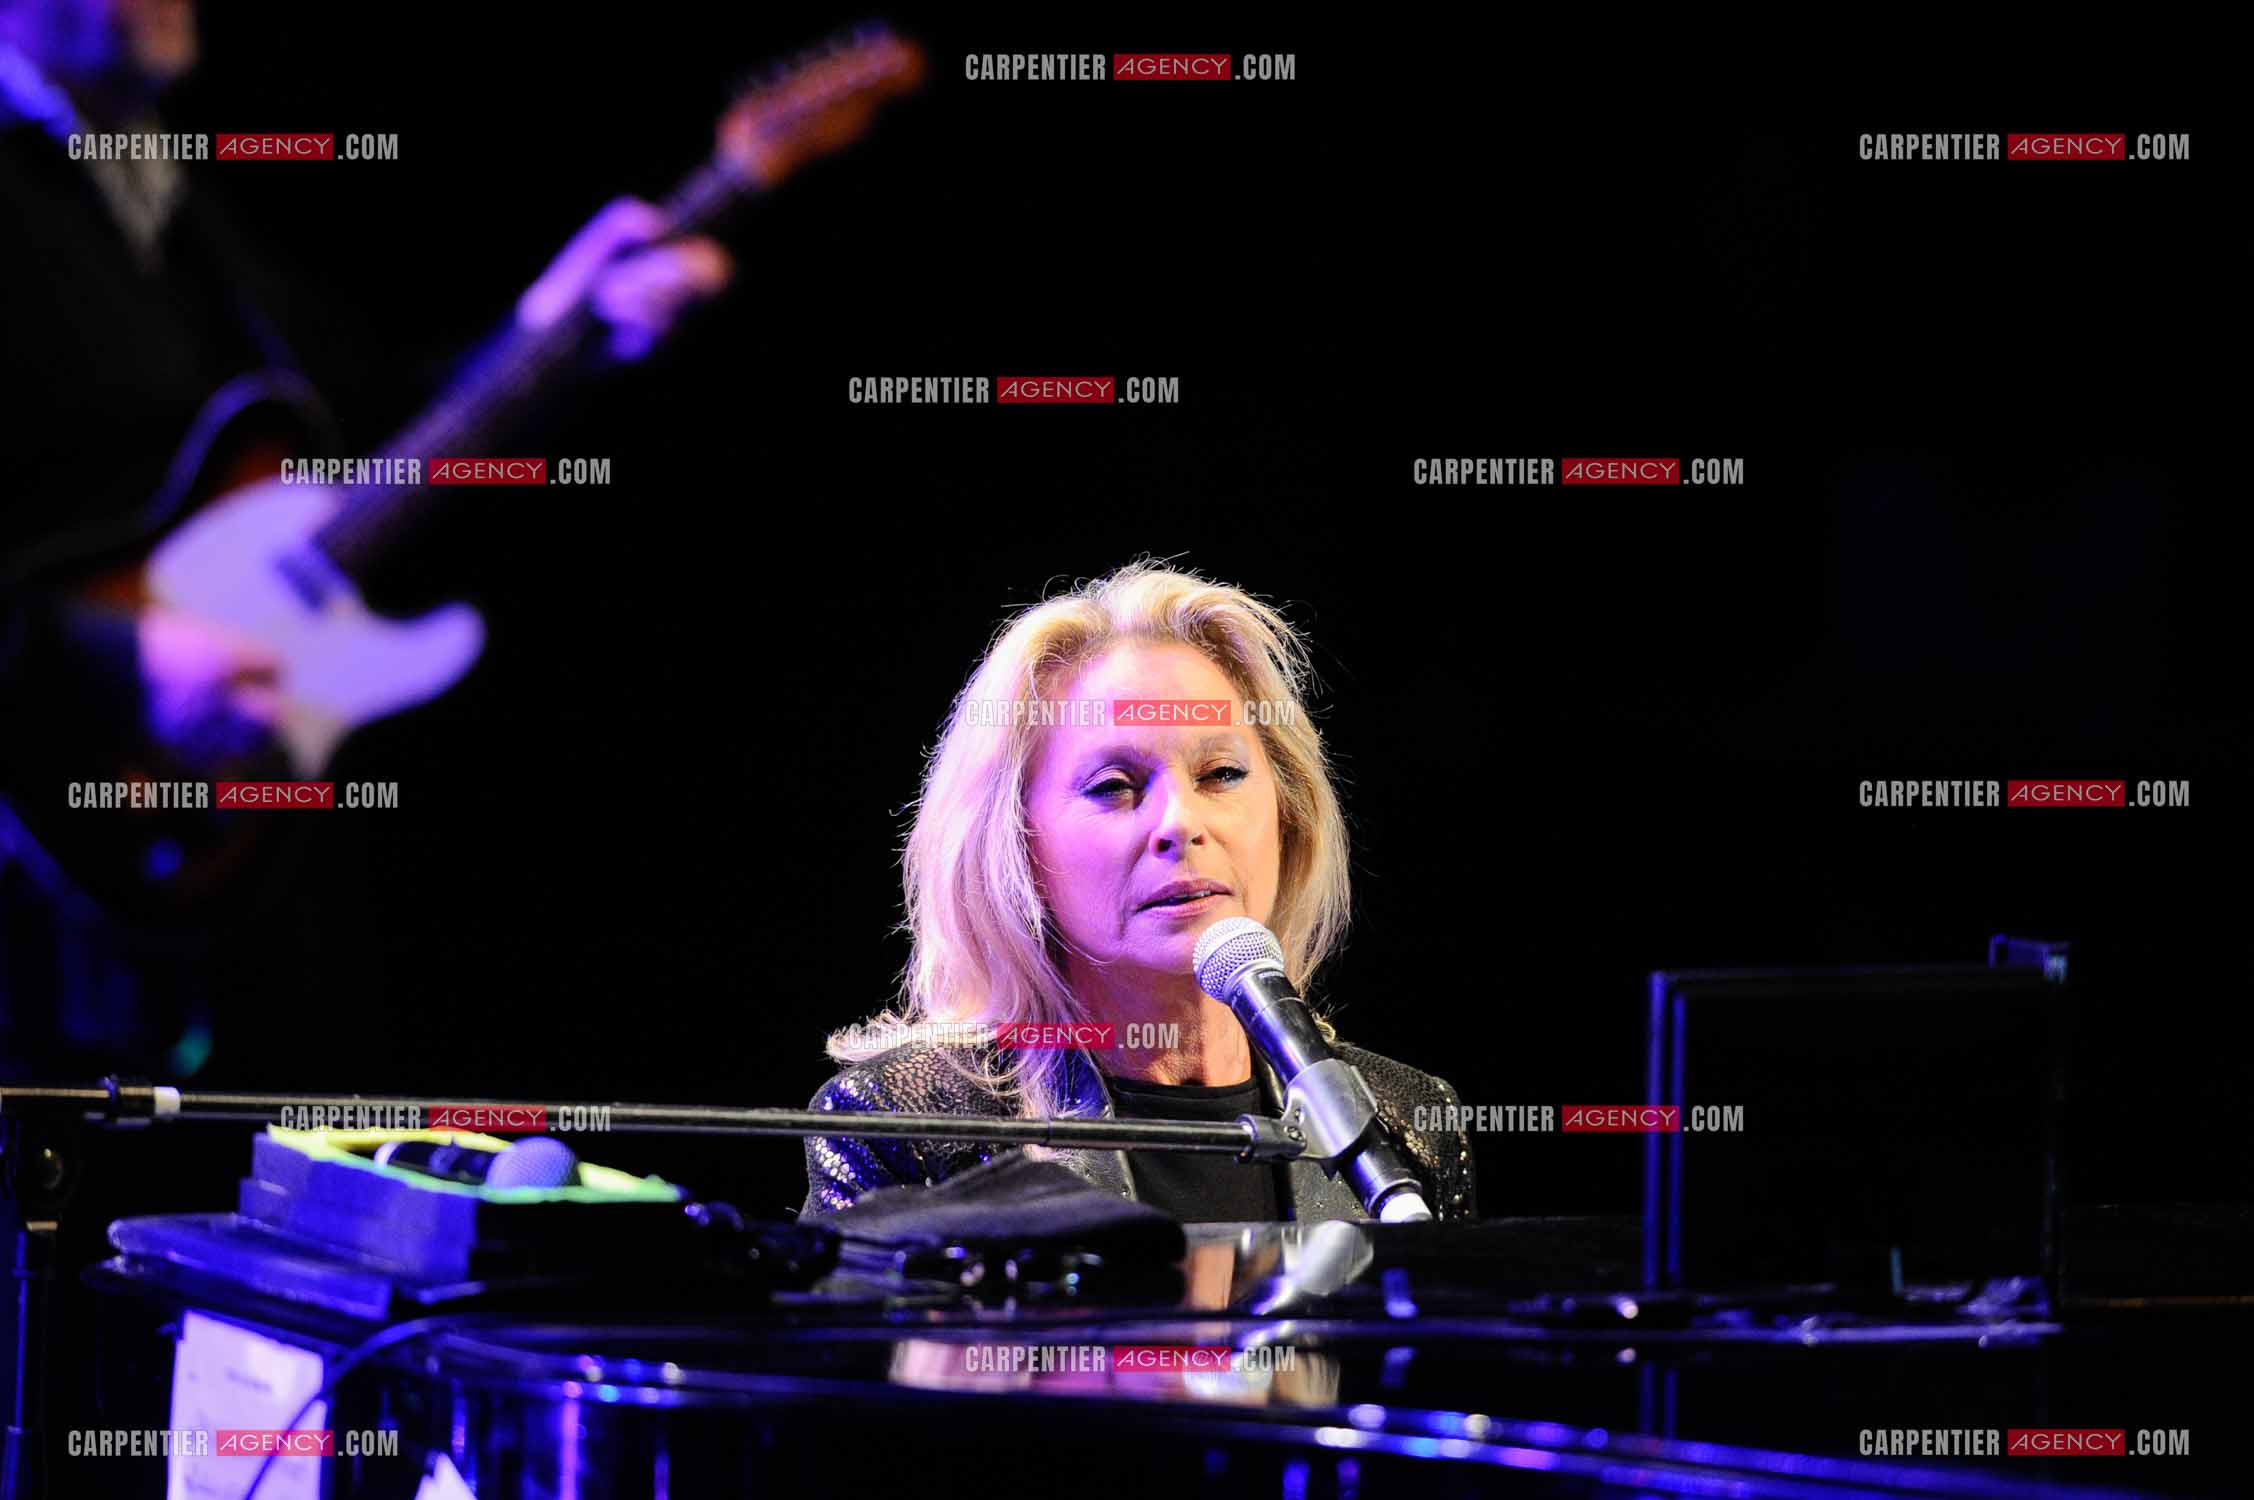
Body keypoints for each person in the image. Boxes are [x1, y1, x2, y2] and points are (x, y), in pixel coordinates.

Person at [0, 0, 732, 1071]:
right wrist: (107, 651)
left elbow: (357, 443)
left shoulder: (172, 189)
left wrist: (560, 328)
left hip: (241, 872)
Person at [803, 561, 1476, 1223]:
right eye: (1115, 787)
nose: (1181, 824)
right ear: (1015, 847)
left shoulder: (1406, 1123)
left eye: (1220, 774)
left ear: (1288, 817)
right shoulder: (907, 1127)